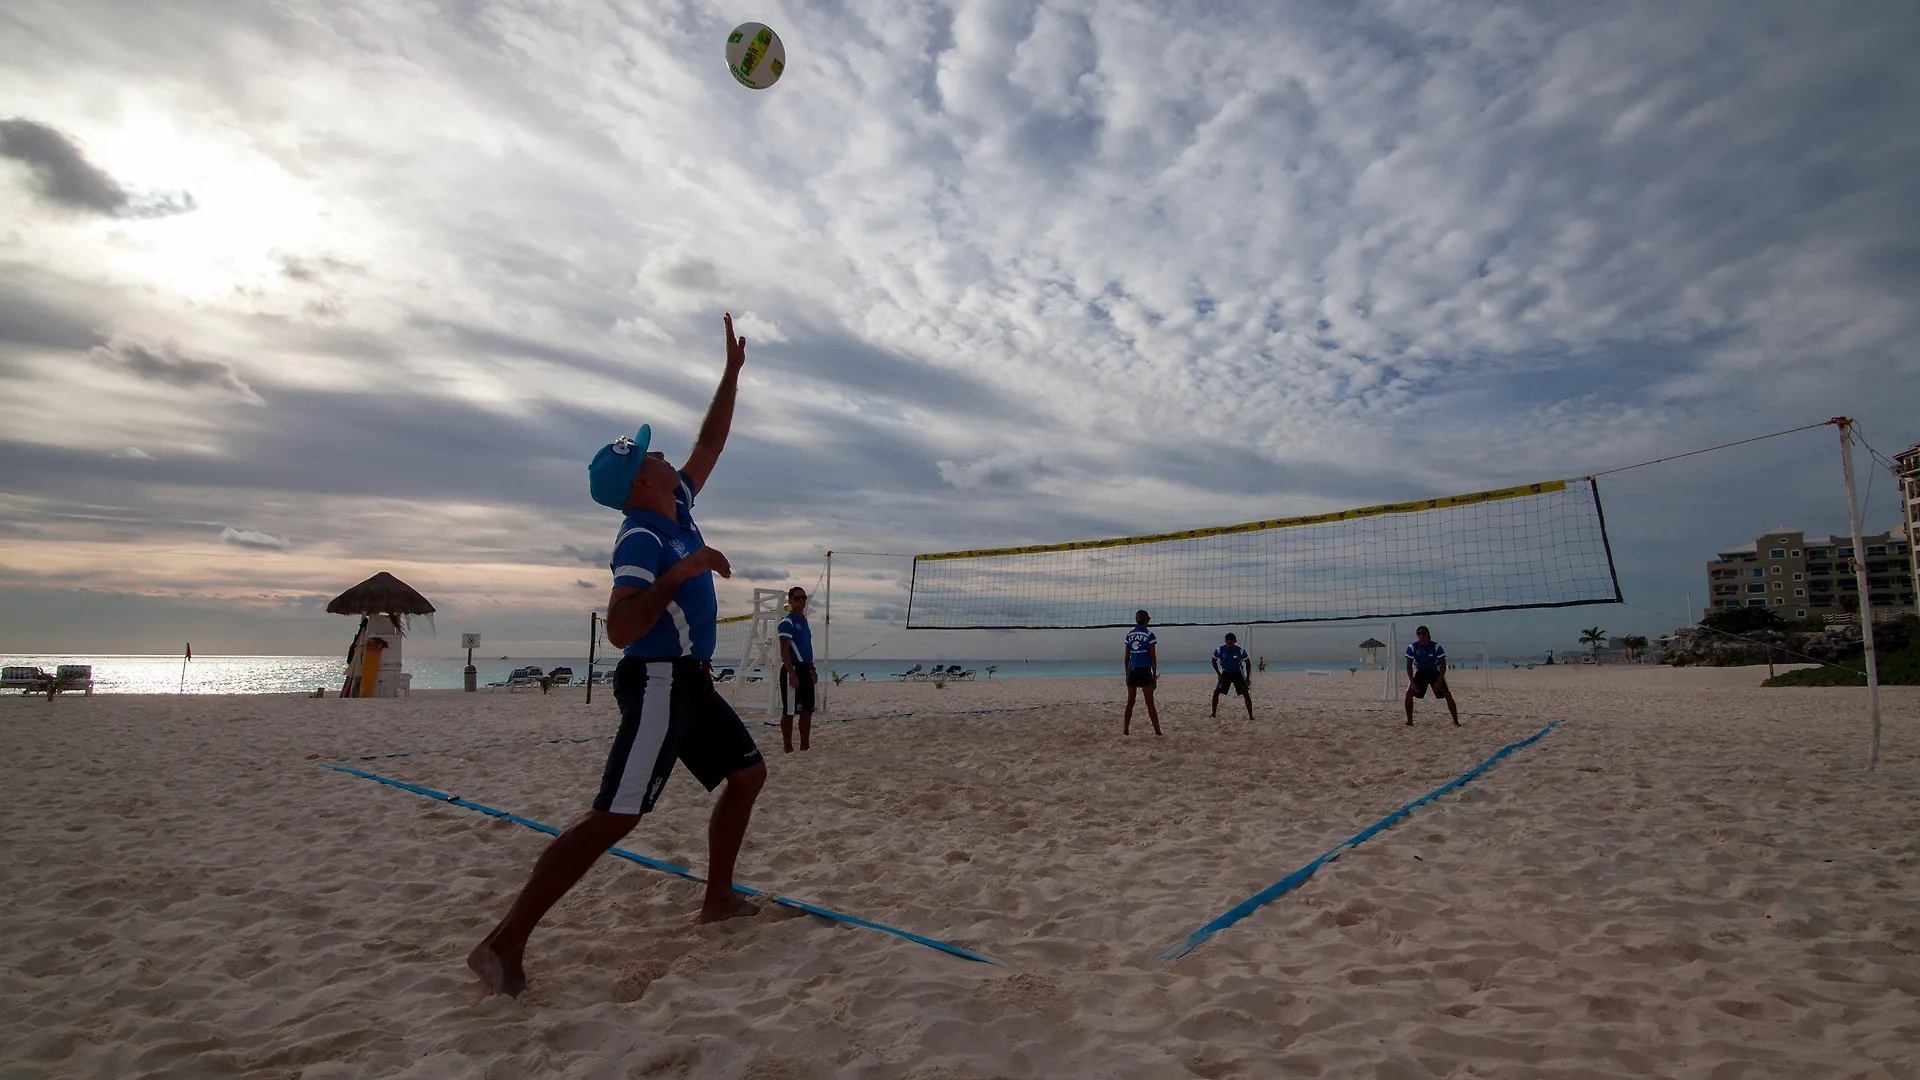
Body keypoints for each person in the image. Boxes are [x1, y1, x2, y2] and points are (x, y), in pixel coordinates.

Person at [468, 314, 766, 998]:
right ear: (640, 482)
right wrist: (679, 574)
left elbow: (709, 441)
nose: (665, 458)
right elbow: (622, 630)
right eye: (651, 457)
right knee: (616, 816)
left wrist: (732, 374)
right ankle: (502, 943)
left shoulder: (678, 506)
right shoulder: (641, 538)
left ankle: (716, 899)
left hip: (692, 686)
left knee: (747, 777)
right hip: (658, 683)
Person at [778, 585, 817, 753]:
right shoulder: (787, 622)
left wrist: (812, 669)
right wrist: (791, 674)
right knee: (790, 710)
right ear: (790, 601)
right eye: (797, 598)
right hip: (792, 668)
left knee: (807, 709)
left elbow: (806, 648)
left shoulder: (804, 621)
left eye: (803, 598)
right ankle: (788, 746)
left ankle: (805, 745)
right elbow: (784, 650)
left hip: (805, 667)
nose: (801, 601)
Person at [1403, 624, 1460, 726]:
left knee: (1447, 695)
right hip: (1420, 673)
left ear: (1428, 635)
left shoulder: (1436, 647)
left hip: (1435, 673)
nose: (1421, 636)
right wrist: (1412, 682)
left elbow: (1443, 665)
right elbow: (1408, 667)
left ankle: (1456, 721)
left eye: (1423, 633)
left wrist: (1439, 681)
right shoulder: (1412, 647)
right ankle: (1410, 721)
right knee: (1409, 694)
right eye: (1419, 634)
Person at [1122, 609, 1162, 736]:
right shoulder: (1150, 635)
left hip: (1132, 670)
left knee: (1130, 701)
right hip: (1144, 670)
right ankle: (1158, 732)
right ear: (1146, 619)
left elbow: (1126, 657)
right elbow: (1153, 657)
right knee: (1150, 703)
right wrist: (1154, 675)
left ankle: (1126, 730)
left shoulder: (1129, 635)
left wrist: (1126, 673)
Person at [1211, 632, 1254, 720]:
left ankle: (1251, 716)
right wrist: (1219, 674)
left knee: (1246, 693)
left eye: (1232, 643)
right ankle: (1213, 714)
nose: (1230, 645)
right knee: (1216, 692)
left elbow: (1248, 663)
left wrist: (1247, 677)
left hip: (1237, 673)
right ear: (1225, 641)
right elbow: (1213, 660)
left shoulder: (1240, 651)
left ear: (1235, 642)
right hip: (1225, 673)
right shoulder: (1219, 650)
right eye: (1228, 643)